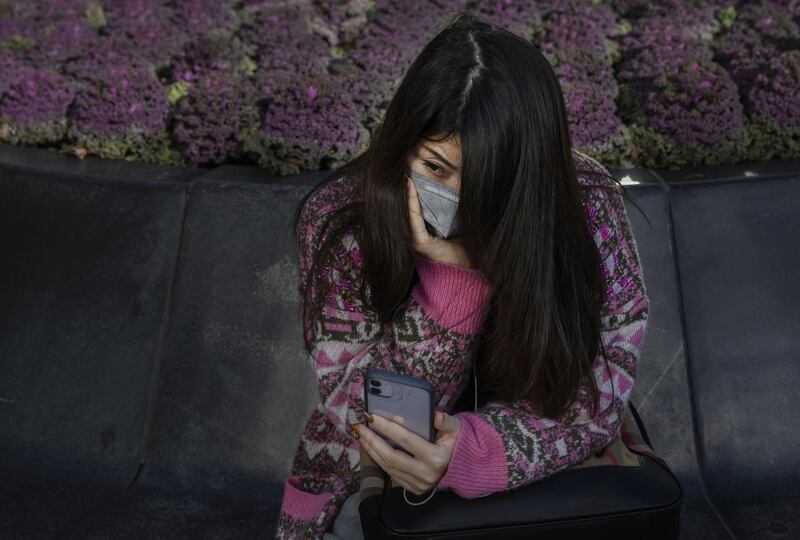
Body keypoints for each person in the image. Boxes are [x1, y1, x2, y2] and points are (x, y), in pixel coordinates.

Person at [274, 11, 650, 540]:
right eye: (434, 167)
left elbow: (602, 387)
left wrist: (476, 455)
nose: (457, 197)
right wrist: (454, 287)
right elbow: (352, 401)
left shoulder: (585, 203)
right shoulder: (343, 220)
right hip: (376, 477)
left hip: (551, 471)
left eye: (487, 178)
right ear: (404, 139)